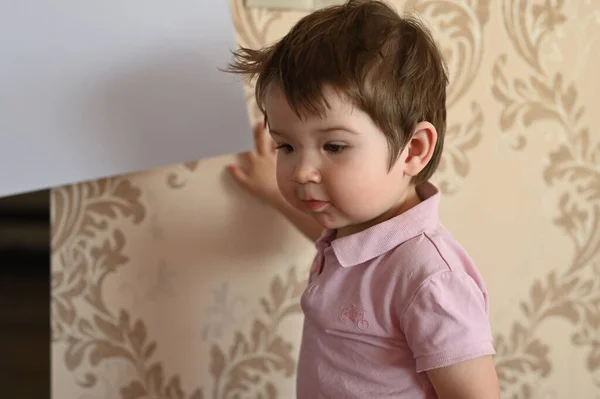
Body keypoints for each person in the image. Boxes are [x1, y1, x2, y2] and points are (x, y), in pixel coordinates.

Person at [225, 0, 500, 398]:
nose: (302, 171)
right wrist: (272, 192)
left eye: (334, 146)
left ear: (413, 150)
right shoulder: (355, 229)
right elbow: (333, 238)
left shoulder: (430, 278)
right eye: (286, 146)